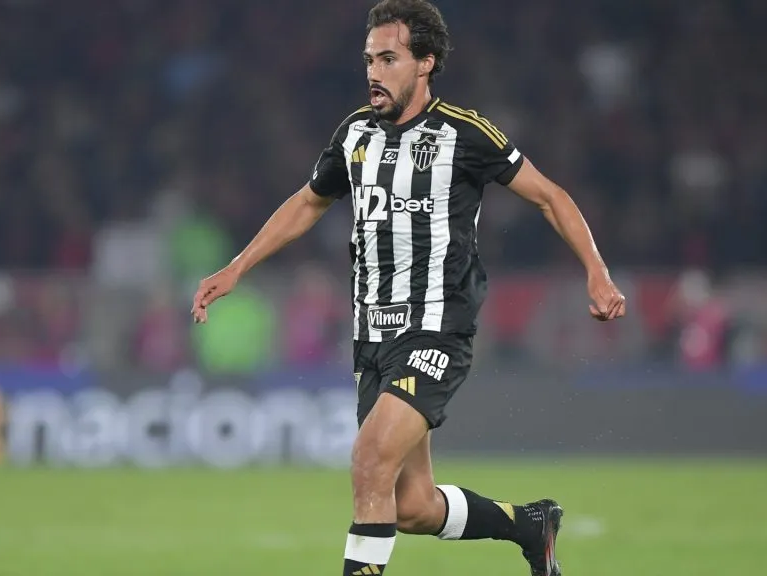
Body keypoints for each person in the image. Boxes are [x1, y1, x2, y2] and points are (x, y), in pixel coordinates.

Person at [191, 1, 626, 573]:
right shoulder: (354, 135)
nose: (374, 71)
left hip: (436, 330)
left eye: (389, 58)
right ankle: (529, 525)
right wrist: (238, 266)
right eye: (370, 59)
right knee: (413, 506)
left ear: (426, 62)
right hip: (373, 337)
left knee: (370, 460)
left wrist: (596, 271)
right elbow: (307, 202)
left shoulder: (464, 135)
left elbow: (551, 197)